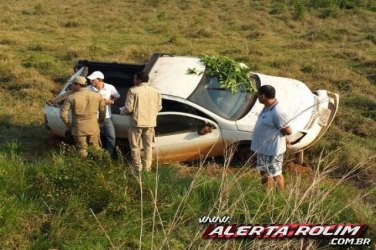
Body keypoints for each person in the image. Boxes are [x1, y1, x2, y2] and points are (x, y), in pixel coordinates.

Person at [251, 85, 292, 191]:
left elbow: (288, 130)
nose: (257, 97)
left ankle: (280, 196)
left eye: (258, 95)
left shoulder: (278, 112)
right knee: (264, 173)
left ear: (263, 96)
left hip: (272, 150)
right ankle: (266, 197)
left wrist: (283, 138)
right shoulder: (267, 107)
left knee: (275, 174)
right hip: (263, 149)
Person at [121, 71, 162, 172]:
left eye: (135, 79)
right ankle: (147, 168)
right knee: (148, 147)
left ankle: (137, 168)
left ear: (139, 80)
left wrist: (122, 111)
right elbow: (159, 107)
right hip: (150, 123)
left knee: (135, 147)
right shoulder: (156, 91)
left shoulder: (133, 91)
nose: (133, 81)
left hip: (136, 123)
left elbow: (128, 109)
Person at [60, 76, 106, 157]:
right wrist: (101, 121)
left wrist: (68, 124)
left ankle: (83, 166)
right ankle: (100, 164)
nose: (72, 86)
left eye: (73, 84)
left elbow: (63, 113)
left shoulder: (71, 97)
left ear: (78, 85)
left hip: (78, 128)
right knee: (96, 148)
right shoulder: (97, 96)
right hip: (93, 127)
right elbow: (102, 111)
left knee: (82, 150)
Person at [87, 71, 120, 158]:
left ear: (100, 80)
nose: (90, 81)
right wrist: (103, 102)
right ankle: (95, 155)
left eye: (93, 80)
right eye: (90, 80)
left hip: (106, 117)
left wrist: (112, 101)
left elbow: (117, 96)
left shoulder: (109, 87)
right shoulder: (88, 88)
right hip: (92, 117)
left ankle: (109, 156)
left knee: (111, 137)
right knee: (93, 138)